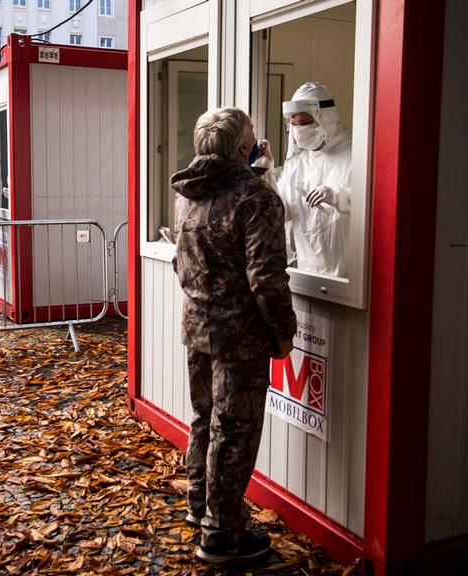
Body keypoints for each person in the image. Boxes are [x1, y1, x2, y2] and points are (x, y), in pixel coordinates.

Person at [171, 107, 297, 563]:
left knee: (206, 421)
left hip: (197, 330)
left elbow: (180, 262)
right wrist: (284, 332)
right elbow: (267, 277)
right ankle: (221, 535)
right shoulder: (255, 198)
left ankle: (200, 506)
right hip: (239, 339)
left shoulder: (189, 194)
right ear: (244, 147)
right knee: (235, 431)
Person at [257, 81, 352, 277]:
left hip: (349, 280)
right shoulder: (297, 165)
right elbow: (278, 213)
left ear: (325, 118)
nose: (298, 130)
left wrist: (337, 197)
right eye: (293, 124)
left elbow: (375, 205)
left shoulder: (355, 154)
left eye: (305, 122)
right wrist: (266, 173)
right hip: (309, 276)